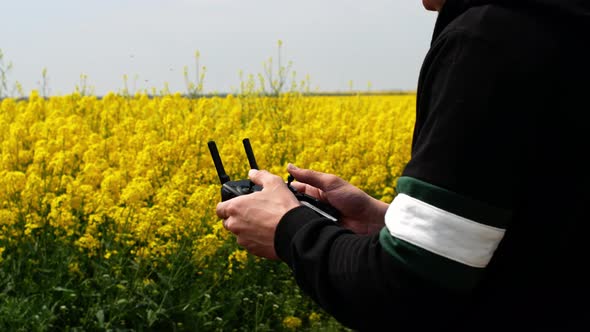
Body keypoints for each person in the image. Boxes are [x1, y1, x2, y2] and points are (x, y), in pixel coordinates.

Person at [216, 0, 589, 330]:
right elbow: (547, 228)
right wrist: (384, 222)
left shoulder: (489, 39)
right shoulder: (563, 24)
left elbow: (406, 294)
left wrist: (289, 230)